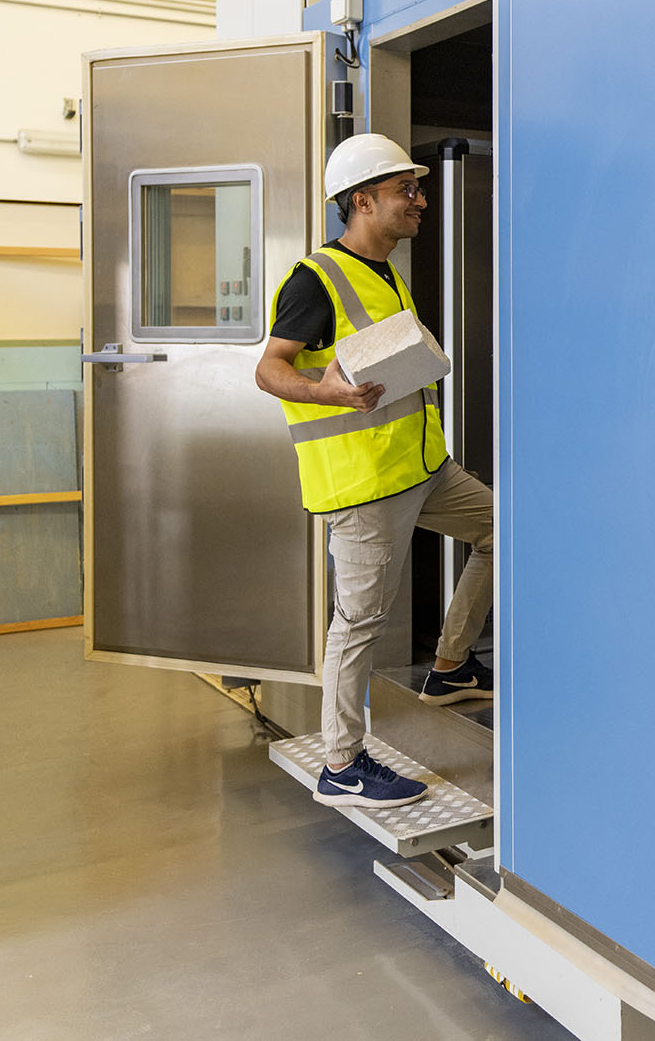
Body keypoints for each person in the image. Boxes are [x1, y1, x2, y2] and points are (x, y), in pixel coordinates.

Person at [254, 132, 495, 809]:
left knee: (504, 530)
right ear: (363, 201)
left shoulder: (384, 269)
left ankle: (448, 667)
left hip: (422, 469)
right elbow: (269, 369)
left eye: (417, 188)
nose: (420, 200)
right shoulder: (315, 279)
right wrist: (328, 392)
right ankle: (342, 763)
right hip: (364, 486)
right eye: (405, 190)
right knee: (358, 622)